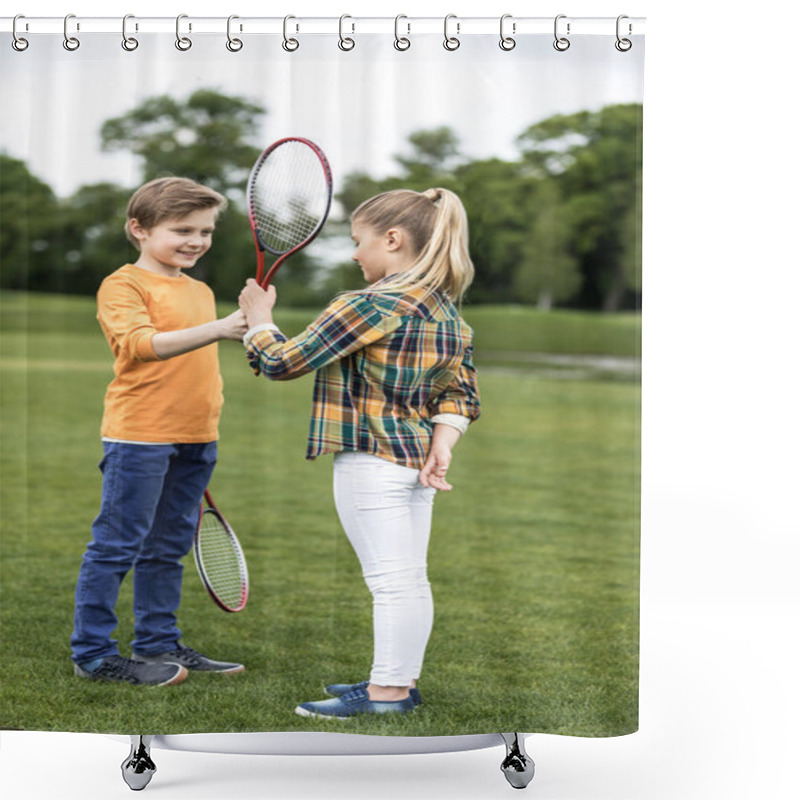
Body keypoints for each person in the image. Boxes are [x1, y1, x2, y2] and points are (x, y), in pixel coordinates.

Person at [238, 187, 481, 718]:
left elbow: (283, 362)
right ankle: (396, 682)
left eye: (359, 241)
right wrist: (442, 444)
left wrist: (258, 320)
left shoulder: (366, 304)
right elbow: (461, 393)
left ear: (392, 240)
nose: (354, 254)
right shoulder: (447, 313)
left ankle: (387, 695)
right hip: (414, 464)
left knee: (392, 583)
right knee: (409, 578)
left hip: (370, 464)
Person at [70, 177, 249, 686]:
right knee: (116, 545)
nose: (196, 240)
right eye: (182, 230)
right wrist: (220, 328)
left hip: (197, 435)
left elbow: (206, 354)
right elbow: (141, 345)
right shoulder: (123, 285)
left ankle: (157, 645)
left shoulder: (201, 290)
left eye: (206, 231)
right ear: (140, 229)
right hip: (140, 436)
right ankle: (94, 655)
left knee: (166, 547)